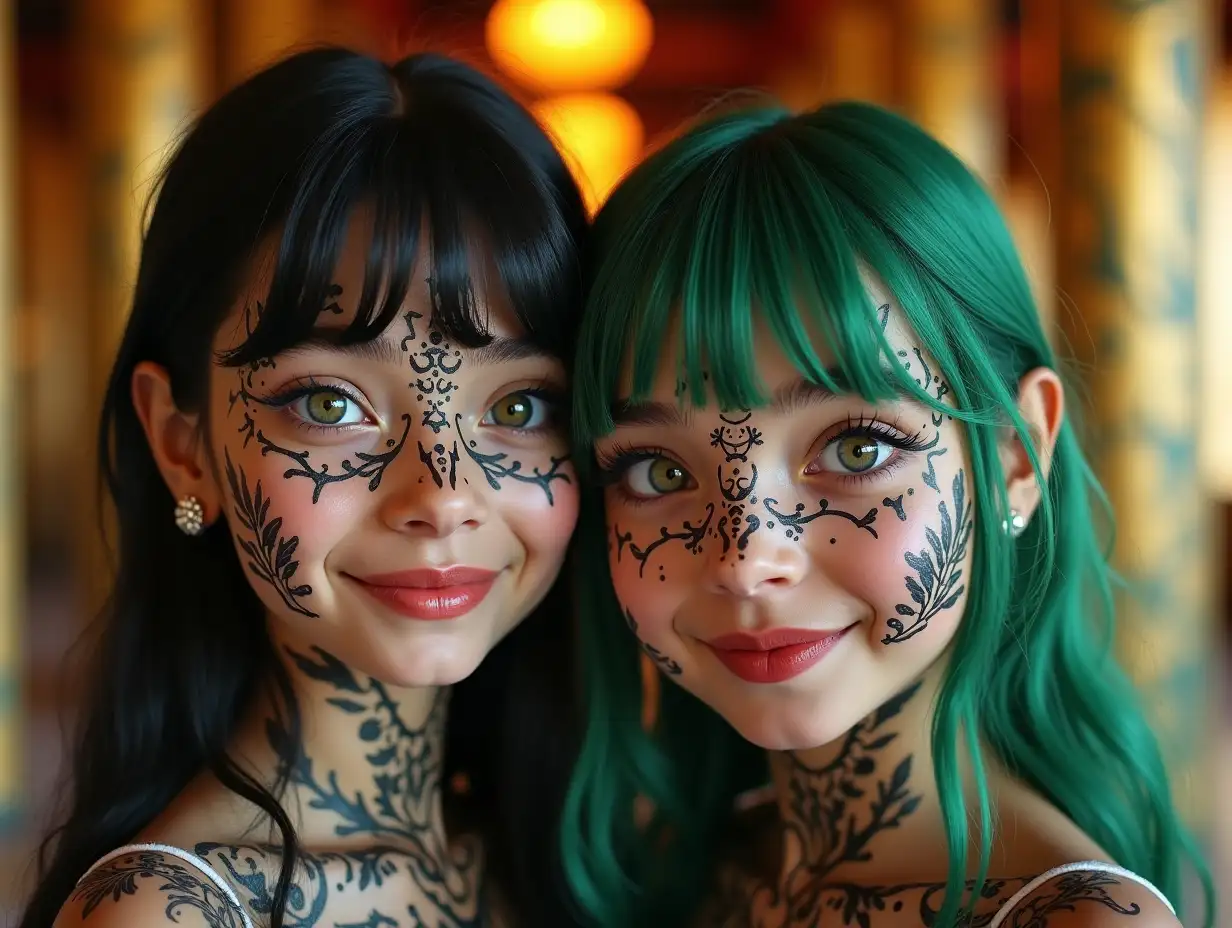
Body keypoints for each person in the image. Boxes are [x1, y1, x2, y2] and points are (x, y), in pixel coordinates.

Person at [560, 100, 1214, 927]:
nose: (746, 556)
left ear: (1017, 457)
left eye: (857, 450)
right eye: (657, 469)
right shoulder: (686, 869)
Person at [21, 48, 588, 928]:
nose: (442, 493)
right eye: (330, 403)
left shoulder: (560, 864)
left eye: (519, 403)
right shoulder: (173, 914)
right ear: (184, 446)